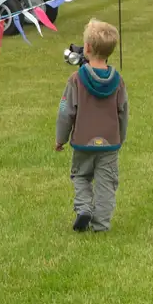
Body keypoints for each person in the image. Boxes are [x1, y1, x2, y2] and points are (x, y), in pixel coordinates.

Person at [55, 19, 129, 232]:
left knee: (81, 176)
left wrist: (61, 138)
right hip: (109, 143)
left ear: (86, 48)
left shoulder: (76, 79)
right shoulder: (118, 81)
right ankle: (101, 224)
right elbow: (123, 112)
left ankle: (84, 207)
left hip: (82, 142)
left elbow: (65, 112)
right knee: (107, 184)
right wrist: (120, 137)